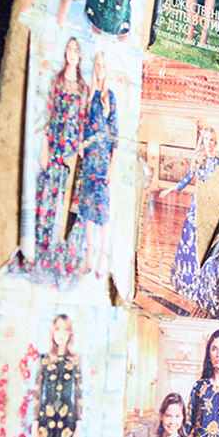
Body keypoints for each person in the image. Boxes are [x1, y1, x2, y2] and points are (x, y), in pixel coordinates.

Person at [32, 36, 88, 270]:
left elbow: (83, 123)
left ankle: (58, 252)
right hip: (53, 149)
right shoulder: (56, 81)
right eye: (69, 49)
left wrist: (82, 153)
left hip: (71, 155)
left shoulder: (83, 87)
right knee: (45, 198)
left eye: (75, 49)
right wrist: (44, 148)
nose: (72, 52)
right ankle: (37, 249)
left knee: (66, 205)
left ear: (80, 54)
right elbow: (46, 117)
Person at [166, 123, 219, 313]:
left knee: (209, 252)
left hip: (211, 212)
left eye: (212, 140)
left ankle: (207, 293)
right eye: (206, 140)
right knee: (192, 249)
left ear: (215, 142)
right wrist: (172, 188)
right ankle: (190, 286)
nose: (209, 143)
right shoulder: (198, 161)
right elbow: (186, 179)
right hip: (195, 212)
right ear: (202, 141)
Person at [78, 50, 120, 276]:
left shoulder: (109, 96)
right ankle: (89, 256)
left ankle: (103, 255)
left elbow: (115, 134)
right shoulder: (88, 94)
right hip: (89, 161)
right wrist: (81, 145)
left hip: (104, 161)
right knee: (87, 207)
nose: (100, 69)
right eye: (97, 65)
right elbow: (82, 125)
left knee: (102, 209)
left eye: (104, 65)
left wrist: (112, 165)